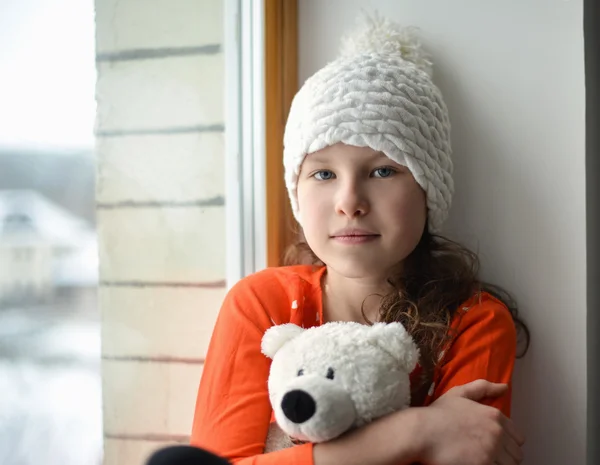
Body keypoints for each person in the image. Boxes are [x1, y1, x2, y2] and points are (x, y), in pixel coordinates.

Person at [190, 13, 530, 465]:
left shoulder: (474, 321)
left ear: (429, 190)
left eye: (383, 170)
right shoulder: (262, 304)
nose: (349, 201)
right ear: (298, 190)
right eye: (324, 173)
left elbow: (471, 451)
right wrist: (416, 430)